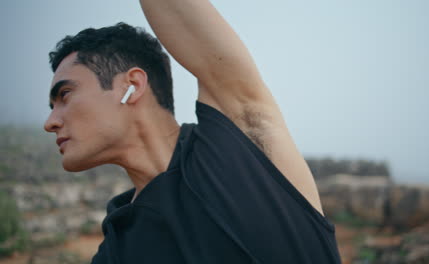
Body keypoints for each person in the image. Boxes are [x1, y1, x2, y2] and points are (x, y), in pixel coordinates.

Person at [44, 0, 342, 263]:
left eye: (65, 95)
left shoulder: (242, 143)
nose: (50, 122)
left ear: (131, 86)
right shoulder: (118, 247)